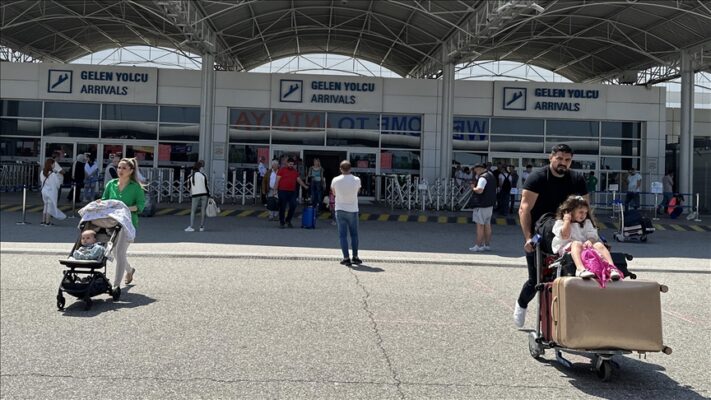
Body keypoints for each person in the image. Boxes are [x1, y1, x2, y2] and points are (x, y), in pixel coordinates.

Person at [514, 144, 588, 328]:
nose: (563, 163)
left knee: (573, 278)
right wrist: (528, 238)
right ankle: (521, 304)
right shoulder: (538, 177)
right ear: (551, 158)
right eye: (560, 159)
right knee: (536, 280)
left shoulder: (577, 179)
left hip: (569, 231)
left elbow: (585, 211)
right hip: (542, 230)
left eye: (567, 160)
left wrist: (591, 236)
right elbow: (524, 209)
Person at [102, 157, 145, 289]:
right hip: (111, 223)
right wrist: (100, 203)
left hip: (127, 224)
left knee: (120, 252)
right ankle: (130, 270)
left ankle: (116, 286)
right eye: (119, 167)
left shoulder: (136, 187)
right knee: (115, 252)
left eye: (124, 168)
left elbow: (140, 206)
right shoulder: (111, 184)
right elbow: (104, 201)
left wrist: (124, 208)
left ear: (131, 171)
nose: (120, 170)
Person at [551, 195, 619, 280]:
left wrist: (590, 241)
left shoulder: (587, 223)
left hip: (584, 247)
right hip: (568, 248)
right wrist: (567, 221)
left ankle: (612, 268)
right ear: (571, 211)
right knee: (576, 243)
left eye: (585, 213)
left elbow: (593, 235)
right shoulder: (561, 223)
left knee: (599, 244)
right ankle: (580, 269)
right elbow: (565, 236)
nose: (583, 215)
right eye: (581, 212)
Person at [331, 160, 362, 266]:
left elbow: (334, 193)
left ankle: (346, 258)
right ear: (350, 169)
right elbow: (357, 192)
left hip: (340, 209)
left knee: (342, 235)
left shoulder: (335, 180)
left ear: (340, 169)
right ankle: (355, 257)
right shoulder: (357, 180)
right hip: (353, 209)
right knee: (354, 235)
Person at [468, 163, 496, 252]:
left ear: (479, 168)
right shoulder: (491, 175)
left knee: (480, 226)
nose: (475, 172)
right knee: (487, 226)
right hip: (489, 205)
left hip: (481, 205)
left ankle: (477, 246)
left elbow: (480, 190)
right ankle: (486, 245)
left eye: (475, 170)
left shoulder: (483, 178)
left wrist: (473, 188)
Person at [275, 158, 309, 228]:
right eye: (290, 164)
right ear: (287, 163)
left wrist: (305, 186)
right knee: (282, 207)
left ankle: (288, 220)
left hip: (292, 191)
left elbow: (299, 180)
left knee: (293, 205)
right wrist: (275, 190)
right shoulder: (282, 170)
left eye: (292, 164)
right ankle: (282, 222)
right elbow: (277, 180)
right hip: (282, 191)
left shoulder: (295, 171)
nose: (291, 165)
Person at [40, 158, 66, 225]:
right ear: (51, 164)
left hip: (44, 191)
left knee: (45, 205)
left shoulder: (42, 172)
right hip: (51, 192)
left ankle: (43, 221)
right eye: (54, 164)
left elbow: (41, 181)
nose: (54, 165)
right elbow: (57, 184)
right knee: (50, 206)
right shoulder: (53, 174)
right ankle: (47, 222)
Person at [185, 160, 209, 232]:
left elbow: (188, 187)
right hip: (204, 194)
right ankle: (201, 226)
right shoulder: (204, 175)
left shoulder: (190, 176)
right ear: (200, 168)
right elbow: (206, 185)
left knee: (193, 211)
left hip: (195, 195)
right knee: (203, 210)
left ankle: (191, 226)